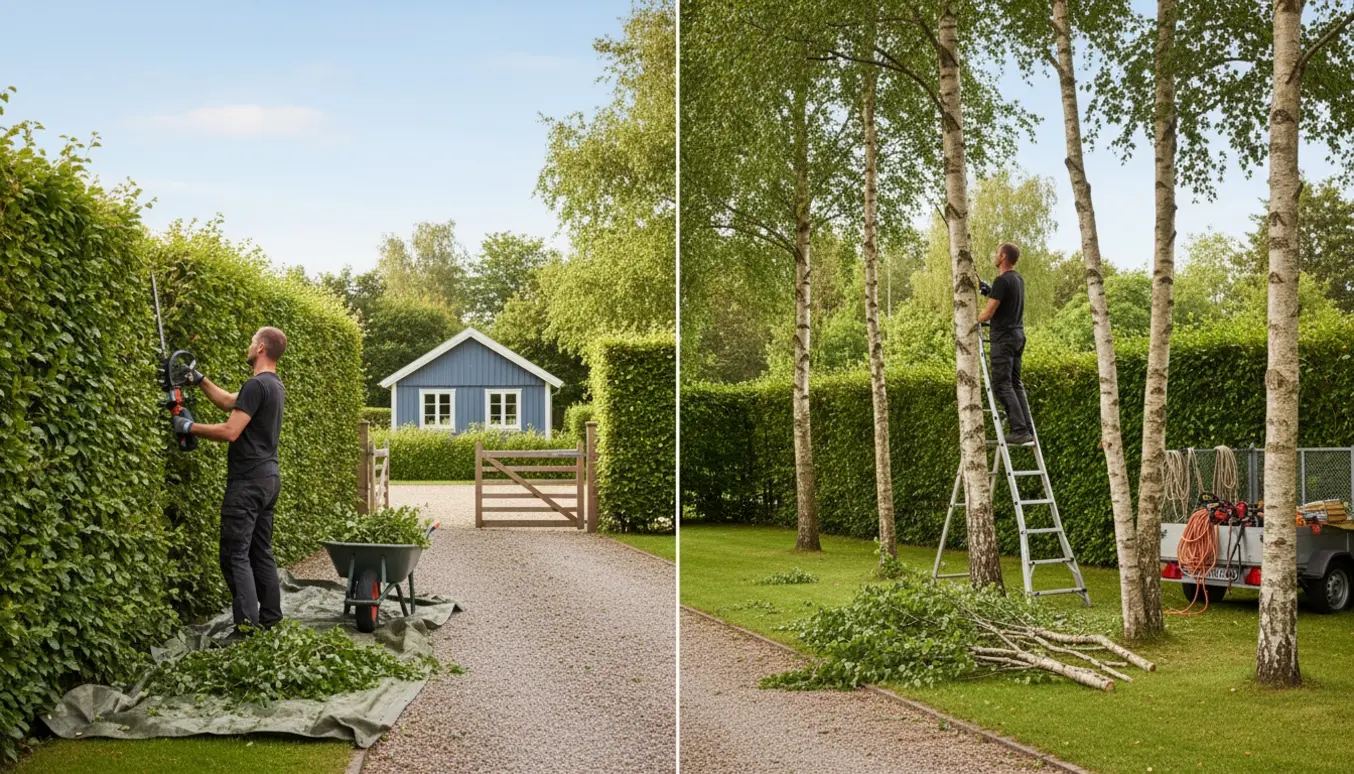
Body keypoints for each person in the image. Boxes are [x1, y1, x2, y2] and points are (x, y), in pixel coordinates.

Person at [173, 327, 288, 635]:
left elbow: (230, 431)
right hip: (268, 479)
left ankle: (246, 630)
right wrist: (199, 379)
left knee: (234, 555)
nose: (249, 346)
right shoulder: (273, 385)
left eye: (252, 341)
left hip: (248, 482)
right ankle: (271, 619)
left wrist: (188, 427)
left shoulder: (256, 384)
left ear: (261, 348)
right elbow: (228, 402)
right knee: (260, 550)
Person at [976, 243, 1034, 446]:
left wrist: (972, 319)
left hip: (1004, 339)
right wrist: (988, 291)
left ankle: (1019, 431)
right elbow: (1004, 300)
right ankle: (1027, 429)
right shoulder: (1017, 279)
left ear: (1002, 256)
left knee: (1001, 385)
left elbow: (989, 312)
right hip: (1018, 336)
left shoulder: (1001, 280)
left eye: (996, 253)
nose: (995, 255)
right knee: (1015, 384)